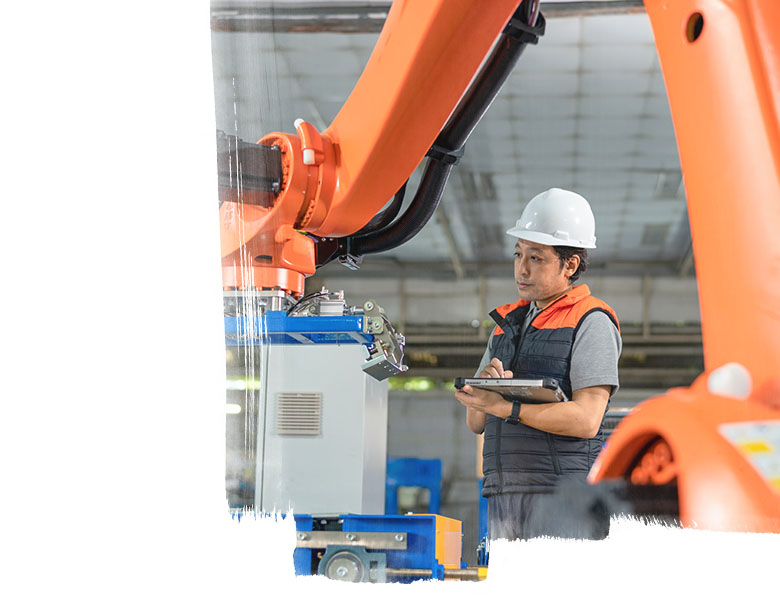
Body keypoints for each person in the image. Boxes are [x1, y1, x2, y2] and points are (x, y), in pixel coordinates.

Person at [455, 188, 622, 541]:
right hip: (505, 493)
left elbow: (587, 420)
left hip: (563, 499)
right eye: (518, 255)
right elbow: (476, 422)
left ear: (570, 264)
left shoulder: (590, 321)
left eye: (536, 258)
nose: (522, 269)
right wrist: (482, 389)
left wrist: (505, 406)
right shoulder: (507, 324)